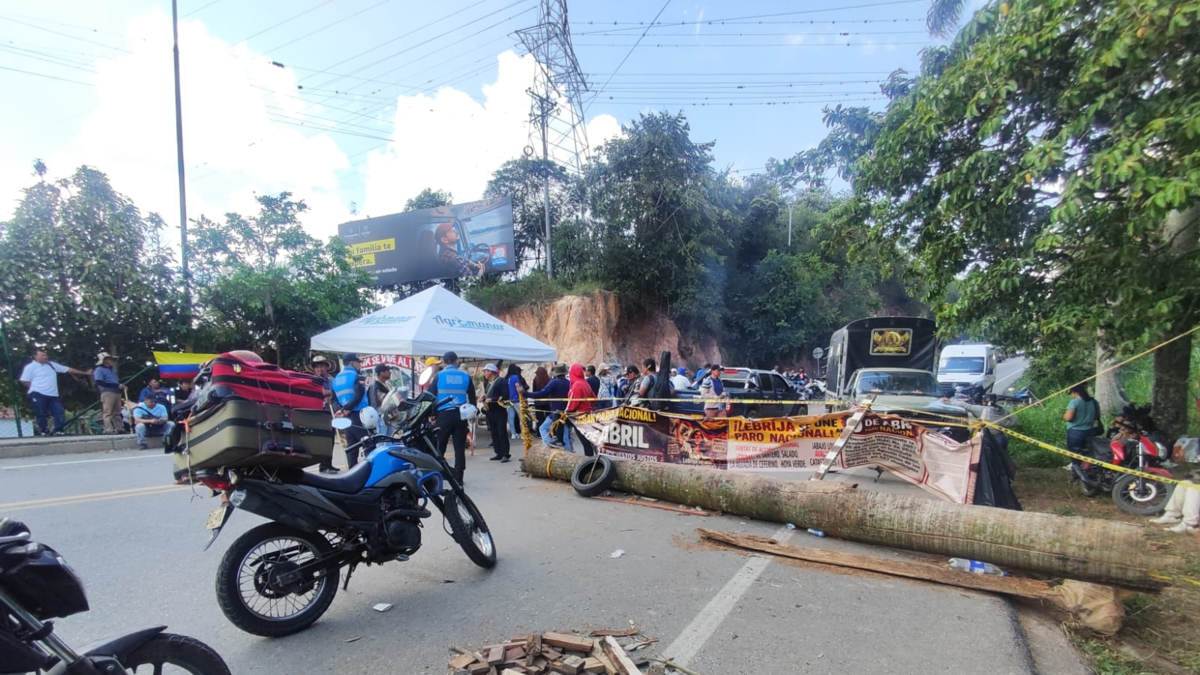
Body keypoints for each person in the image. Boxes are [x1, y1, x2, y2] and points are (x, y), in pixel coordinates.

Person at [428, 351, 477, 482]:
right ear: (456, 361)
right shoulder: (466, 376)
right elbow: (472, 397)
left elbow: (430, 395)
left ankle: (438, 475)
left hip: (443, 416)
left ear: (444, 362)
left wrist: (431, 414)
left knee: (440, 447)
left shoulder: (438, 376)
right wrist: (474, 413)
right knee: (459, 448)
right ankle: (459, 478)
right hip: (461, 416)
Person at [19, 348, 91, 436]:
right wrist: (34, 387)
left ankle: (58, 430)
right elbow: (24, 380)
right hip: (38, 393)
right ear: (35, 356)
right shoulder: (30, 367)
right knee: (41, 412)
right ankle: (44, 430)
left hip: (53, 394)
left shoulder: (51, 365)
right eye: (42, 355)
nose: (45, 357)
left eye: (46, 355)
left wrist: (85, 373)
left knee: (59, 411)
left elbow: (68, 369)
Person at [332, 353, 370, 468]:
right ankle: (371, 471)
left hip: (345, 416)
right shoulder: (357, 376)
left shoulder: (336, 379)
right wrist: (347, 409)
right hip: (359, 414)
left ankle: (352, 471)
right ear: (352, 363)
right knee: (368, 444)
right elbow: (359, 395)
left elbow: (333, 399)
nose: (360, 365)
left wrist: (341, 410)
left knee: (352, 445)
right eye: (358, 363)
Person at [525, 364, 571, 449]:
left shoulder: (554, 382)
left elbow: (542, 393)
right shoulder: (568, 383)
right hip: (565, 411)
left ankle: (548, 446)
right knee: (564, 433)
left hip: (556, 412)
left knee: (544, 428)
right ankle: (567, 451)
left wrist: (525, 393)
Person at [309, 354, 339, 474]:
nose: (319, 369)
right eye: (317, 367)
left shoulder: (331, 380)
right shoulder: (314, 380)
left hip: (330, 411)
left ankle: (328, 464)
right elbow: (320, 392)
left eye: (321, 366)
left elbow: (336, 391)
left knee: (331, 438)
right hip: (320, 413)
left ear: (327, 367)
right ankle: (324, 465)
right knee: (324, 439)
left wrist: (331, 394)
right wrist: (330, 393)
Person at [1064, 383, 1101, 472]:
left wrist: (1064, 415)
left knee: (1075, 453)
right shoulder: (1093, 401)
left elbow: (1068, 417)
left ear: (1074, 392)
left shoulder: (1074, 402)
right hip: (1090, 431)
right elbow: (1097, 416)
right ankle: (1087, 469)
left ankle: (1076, 470)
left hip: (1075, 432)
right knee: (1088, 451)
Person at [482, 364, 511, 463]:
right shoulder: (488, 383)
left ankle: (505, 454)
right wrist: (484, 398)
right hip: (491, 411)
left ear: (490, 372)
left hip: (500, 411)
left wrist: (492, 399)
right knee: (494, 433)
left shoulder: (501, 381)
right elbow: (488, 394)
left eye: (485, 371)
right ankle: (498, 452)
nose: (484, 373)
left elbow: (505, 395)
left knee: (502, 432)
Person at [566, 364, 596, 456]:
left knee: (585, 442)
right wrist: (589, 407)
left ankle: (561, 441)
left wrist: (566, 412)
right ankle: (591, 459)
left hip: (579, 416)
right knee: (588, 441)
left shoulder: (577, 385)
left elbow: (572, 403)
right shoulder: (585, 383)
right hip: (588, 415)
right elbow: (594, 398)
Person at [93, 352, 125, 434]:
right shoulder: (99, 369)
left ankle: (120, 428)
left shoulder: (112, 370)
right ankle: (109, 429)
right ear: (104, 360)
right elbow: (99, 382)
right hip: (107, 392)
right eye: (109, 359)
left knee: (117, 411)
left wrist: (120, 386)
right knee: (108, 411)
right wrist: (116, 385)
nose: (111, 361)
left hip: (116, 391)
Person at [368, 364, 393, 436]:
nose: (390, 372)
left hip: (388, 415)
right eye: (388, 371)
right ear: (381, 373)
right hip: (380, 415)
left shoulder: (388, 384)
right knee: (382, 435)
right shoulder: (374, 385)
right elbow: (374, 404)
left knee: (390, 435)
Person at [506, 364, 524, 439]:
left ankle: (513, 434)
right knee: (521, 417)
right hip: (516, 399)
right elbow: (517, 387)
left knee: (511, 417)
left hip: (509, 400)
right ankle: (523, 433)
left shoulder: (507, 378)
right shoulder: (515, 377)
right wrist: (522, 392)